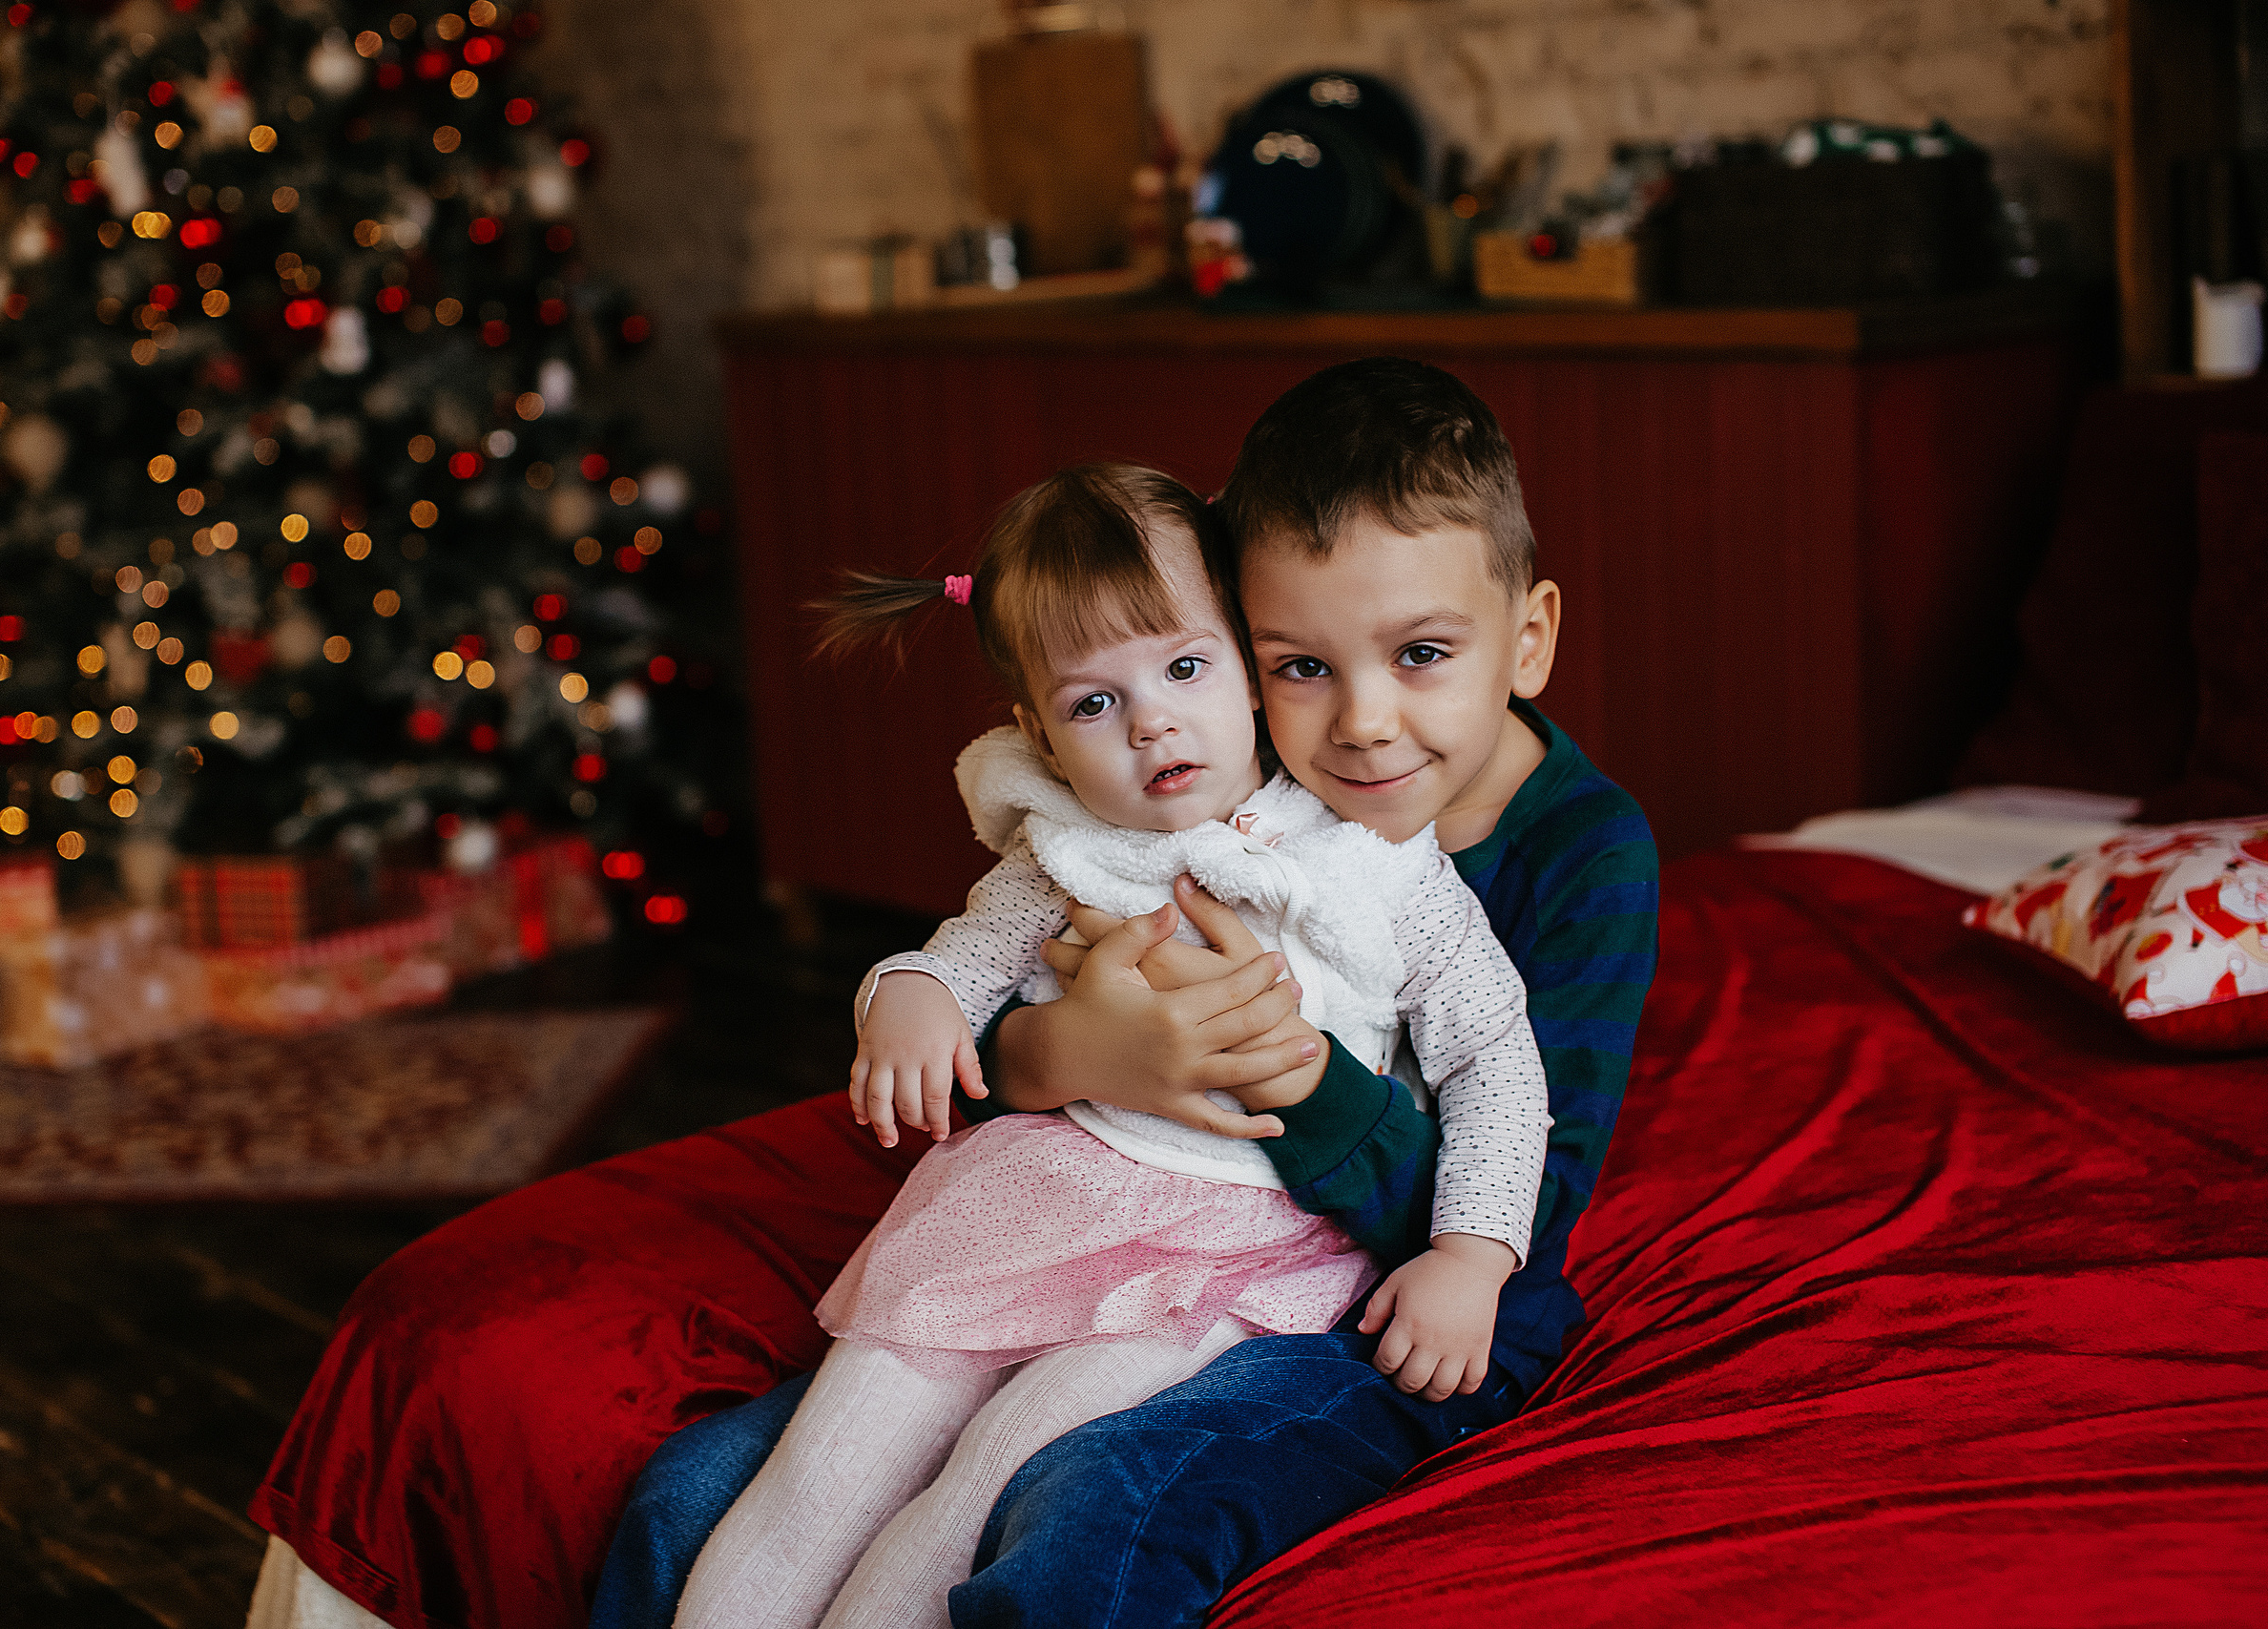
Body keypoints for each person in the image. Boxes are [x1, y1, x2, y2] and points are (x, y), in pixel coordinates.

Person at [593, 357, 1660, 1628]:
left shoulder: (1549, 859)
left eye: (1422, 653)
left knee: (1080, 1494)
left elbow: (1523, 1177)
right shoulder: (1212, 794)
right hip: (1076, 1209)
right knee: (696, 1490)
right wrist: (1070, 1052)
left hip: (1374, 1279)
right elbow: (994, 991)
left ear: (1526, 638)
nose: (1365, 722)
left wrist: (1294, 1081)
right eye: (1298, 667)